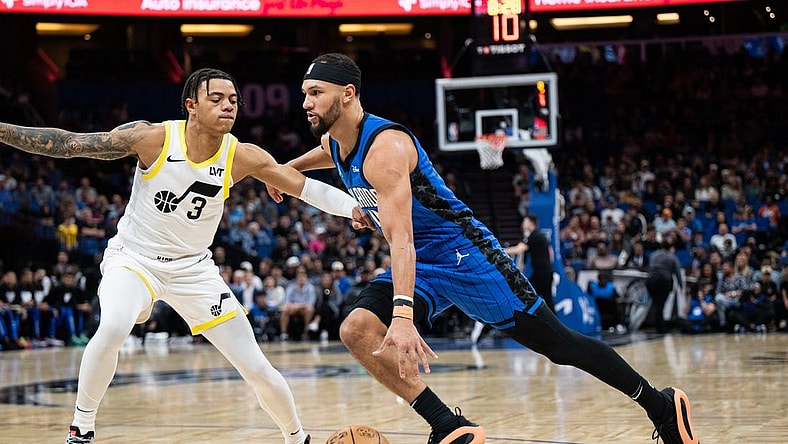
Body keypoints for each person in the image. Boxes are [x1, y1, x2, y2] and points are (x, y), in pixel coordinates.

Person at [267, 53, 699, 444]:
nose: (306, 102)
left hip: (465, 256)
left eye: (315, 93)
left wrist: (402, 316)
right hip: (425, 265)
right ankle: (449, 426)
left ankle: (662, 406)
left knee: (561, 347)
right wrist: (286, 170)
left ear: (347, 94)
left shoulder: (385, 148)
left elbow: (403, 239)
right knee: (356, 329)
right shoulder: (338, 143)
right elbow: (326, 155)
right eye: (305, 93)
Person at [0, 67, 371, 444]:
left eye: (233, 100)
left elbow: (304, 187)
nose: (229, 106)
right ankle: (82, 427)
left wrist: (352, 207)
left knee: (256, 365)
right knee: (113, 326)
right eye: (217, 99)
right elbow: (68, 143)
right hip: (135, 260)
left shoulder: (242, 155)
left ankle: (297, 438)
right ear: (191, 105)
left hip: (194, 270)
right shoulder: (153, 138)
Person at [645, 239, 685, 333]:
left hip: (650, 281)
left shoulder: (654, 254)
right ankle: (660, 327)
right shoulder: (671, 257)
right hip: (663, 282)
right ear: (670, 248)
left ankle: (658, 324)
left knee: (656, 303)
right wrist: (681, 286)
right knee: (660, 305)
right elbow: (677, 273)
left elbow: (649, 268)